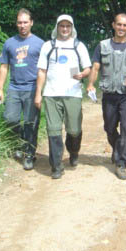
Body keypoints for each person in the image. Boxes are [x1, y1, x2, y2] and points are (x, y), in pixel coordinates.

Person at [86, 13, 126, 181]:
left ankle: (121, 163)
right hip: (109, 94)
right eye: (119, 24)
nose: (121, 28)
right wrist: (90, 84)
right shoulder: (103, 46)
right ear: (113, 25)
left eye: (125, 25)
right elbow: (95, 67)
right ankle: (118, 148)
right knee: (109, 128)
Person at [34, 14, 91, 179]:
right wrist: (38, 94)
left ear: (72, 28)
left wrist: (82, 75)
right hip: (51, 94)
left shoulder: (78, 46)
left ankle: (73, 151)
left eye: (68, 26)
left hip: (72, 93)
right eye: (62, 26)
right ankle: (56, 166)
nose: (65, 29)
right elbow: (42, 71)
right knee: (53, 131)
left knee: (74, 130)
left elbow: (87, 67)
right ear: (57, 27)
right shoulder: (48, 46)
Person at [0, 9, 44, 170]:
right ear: (16, 23)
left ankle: (29, 154)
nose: (22, 25)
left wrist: (41, 92)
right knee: (10, 119)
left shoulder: (40, 43)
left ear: (31, 23)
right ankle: (20, 140)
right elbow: (4, 67)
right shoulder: (9, 43)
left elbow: (44, 70)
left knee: (31, 122)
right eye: (19, 22)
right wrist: (0, 89)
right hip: (14, 87)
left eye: (25, 22)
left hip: (32, 88)